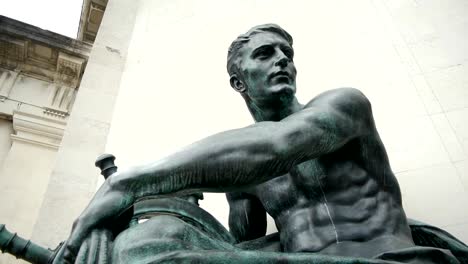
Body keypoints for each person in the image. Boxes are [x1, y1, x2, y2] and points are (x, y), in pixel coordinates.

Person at [56, 24, 461, 264]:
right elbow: (238, 250)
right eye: (265, 54)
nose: (282, 60)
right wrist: (110, 229)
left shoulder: (344, 107)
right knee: (144, 245)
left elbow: (277, 146)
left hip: (388, 259)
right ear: (239, 82)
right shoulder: (240, 179)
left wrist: (128, 183)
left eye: (286, 53)